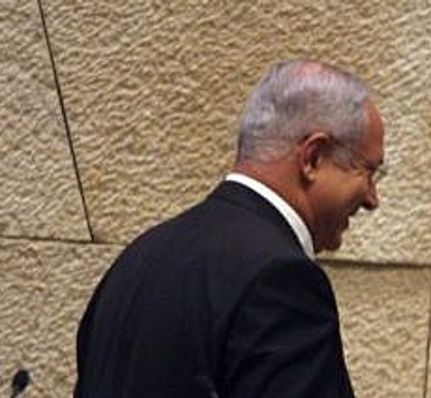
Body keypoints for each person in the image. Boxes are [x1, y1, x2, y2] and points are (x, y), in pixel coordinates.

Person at [75, 59, 385, 398]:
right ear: (313, 157)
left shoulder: (136, 261)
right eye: (368, 171)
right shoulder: (282, 281)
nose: (372, 198)